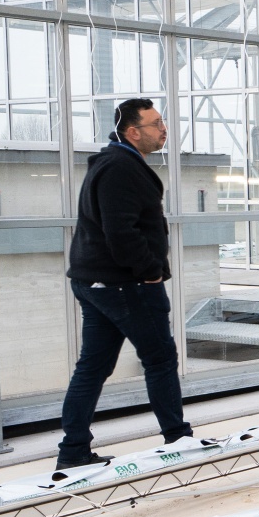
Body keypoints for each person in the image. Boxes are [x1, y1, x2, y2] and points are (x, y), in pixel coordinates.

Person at [56, 98, 195, 470]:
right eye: (156, 124)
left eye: (162, 122)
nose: (164, 129)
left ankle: (73, 452)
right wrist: (150, 270)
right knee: (160, 359)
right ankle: (178, 440)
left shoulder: (114, 163)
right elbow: (121, 231)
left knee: (93, 366)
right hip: (124, 284)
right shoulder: (121, 168)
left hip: (97, 282)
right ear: (133, 132)